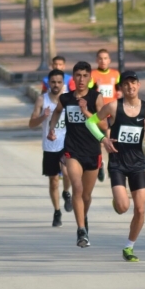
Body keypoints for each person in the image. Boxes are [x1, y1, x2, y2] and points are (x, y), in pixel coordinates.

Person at [85, 71, 145, 262]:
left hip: (137, 163)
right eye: (126, 84)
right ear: (122, 88)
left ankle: (129, 246)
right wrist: (103, 139)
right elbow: (90, 122)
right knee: (122, 207)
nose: (130, 87)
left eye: (133, 83)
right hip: (118, 163)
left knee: (141, 209)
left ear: (139, 85)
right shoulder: (114, 106)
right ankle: (117, 202)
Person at [47, 61, 103, 248]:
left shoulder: (96, 98)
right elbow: (56, 113)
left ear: (89, 78)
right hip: (72, 151)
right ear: (73, 77)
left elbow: (104, 125)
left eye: (85, 76)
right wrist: (52, 128)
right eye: (77, 75)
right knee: (77, 189)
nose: (81, 79)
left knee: (86, 195)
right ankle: (81, 230)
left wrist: (87, 111)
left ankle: (83, 219)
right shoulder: (66, 98)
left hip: (93, 151)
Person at [30, 69, 73, 227]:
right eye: (53, 82)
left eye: (59, 82)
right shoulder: (42, 100)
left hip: (67, 143)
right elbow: (31, 124)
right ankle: (57, 211)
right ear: (49, 83)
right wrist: (43, 116)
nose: (56, 85)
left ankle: (67, 192)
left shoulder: (70, 99)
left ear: (64, 83)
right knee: (54, 181)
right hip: (50, 146)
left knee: (67, 172)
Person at [89, 48, 121, 183]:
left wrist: (120, 94)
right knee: (100, 141)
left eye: (105, 58)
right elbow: (89, 91)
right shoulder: (93, 74)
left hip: (112, 112)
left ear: (109, 60)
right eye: (100, 58)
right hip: (100, 112)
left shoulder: (115, 74)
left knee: (110, 140)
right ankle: (100, 164)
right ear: (97, 60)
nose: (103, 61)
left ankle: (112, 166)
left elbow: (119, 89)